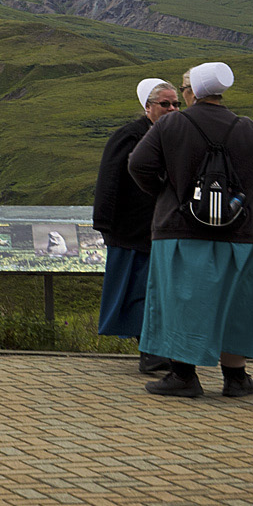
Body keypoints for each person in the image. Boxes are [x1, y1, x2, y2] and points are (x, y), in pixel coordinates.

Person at [127, 60, 253, 398]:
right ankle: (237, 378)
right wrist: (243, 205)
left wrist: (168, 192)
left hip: (181, 231)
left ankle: (183, 376)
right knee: (237, 303)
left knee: (180, 300)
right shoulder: (250, 128)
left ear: (191, 93)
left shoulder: (171, 125)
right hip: (244, 234)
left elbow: (139, 164)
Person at [95, 77, 179, 374]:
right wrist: (106, 225)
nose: (171, 109)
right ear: (148, 107)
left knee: (153, 291)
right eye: (164, 104)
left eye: (175, 104)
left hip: (161, 228)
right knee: (139, 291)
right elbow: (109, 181)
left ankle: (155, 350)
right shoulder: (129, 136)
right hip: (132, 230)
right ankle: (150, 351)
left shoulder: (172, 135)